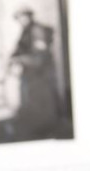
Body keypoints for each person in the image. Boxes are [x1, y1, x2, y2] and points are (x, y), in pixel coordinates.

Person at [8, 6, 60, 139]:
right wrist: (14, 58)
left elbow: (39, 57)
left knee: (40, 102)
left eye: (23, 17)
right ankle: (36, 130)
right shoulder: (26, 31)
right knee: (31, 101)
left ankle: (45, 131)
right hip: (30, 73)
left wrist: (20, 59)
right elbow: (20, 49)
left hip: (39, 74)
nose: (21, 20)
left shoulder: (37, 30)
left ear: (29, 16)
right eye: (19, 18)